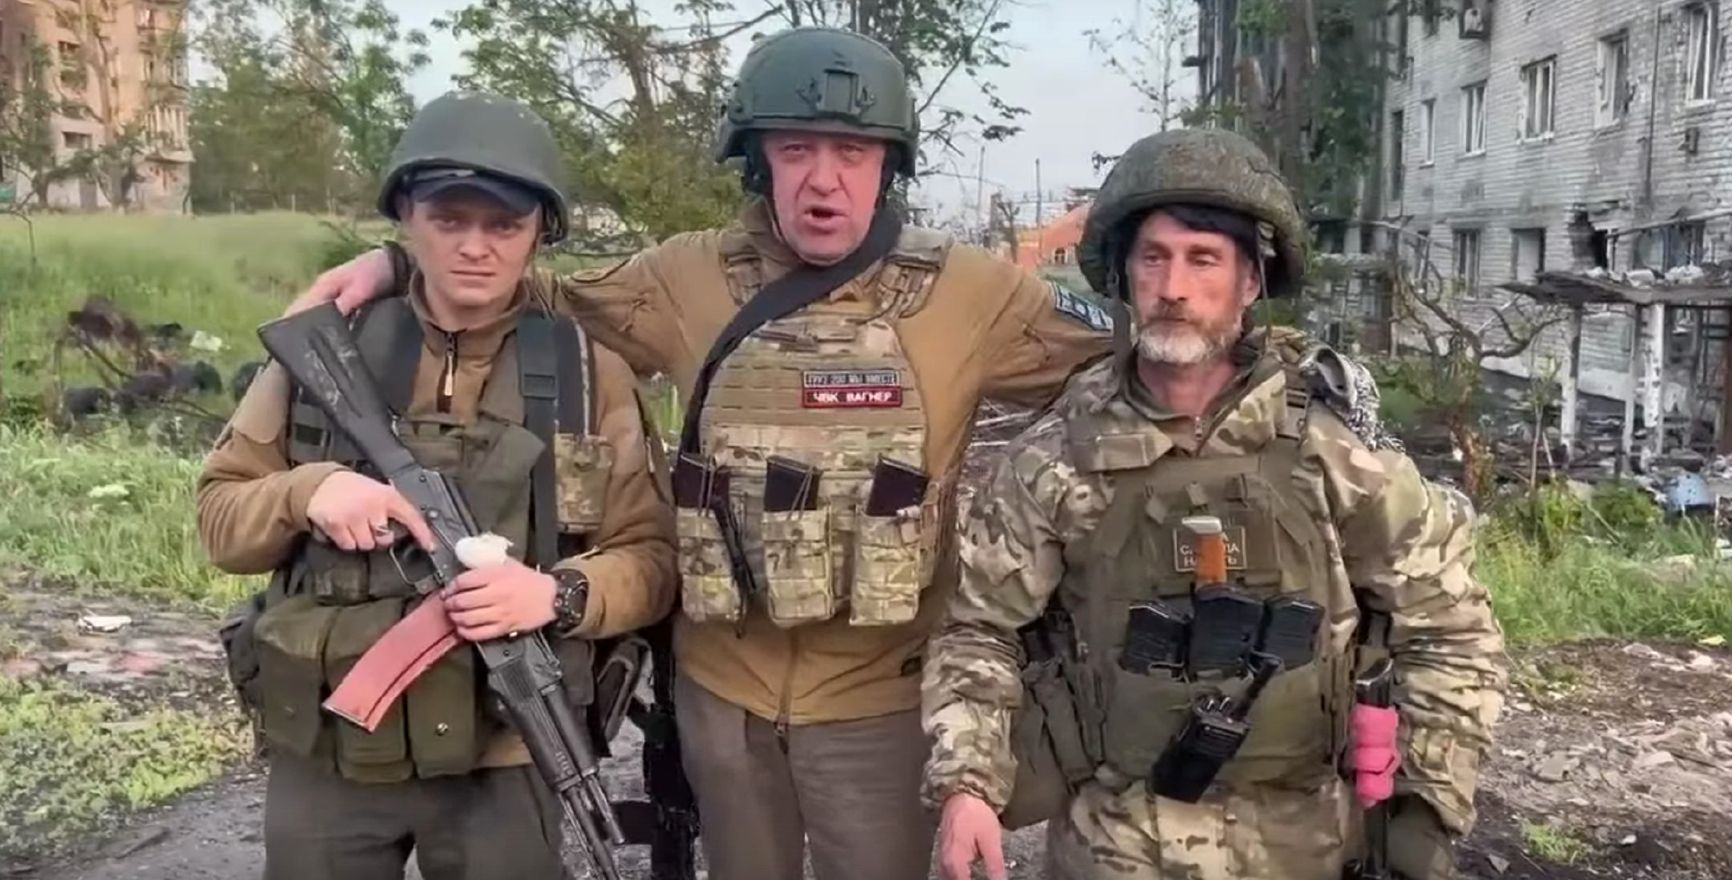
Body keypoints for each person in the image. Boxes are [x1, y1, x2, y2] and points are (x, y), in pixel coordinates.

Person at [291, 26, 1117, 880]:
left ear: (889, 165)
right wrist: (397, 266)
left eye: (852, 152)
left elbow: (1137, 355)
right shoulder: (688, 277)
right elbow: (533, 292)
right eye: (795, 150)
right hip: (724, 697)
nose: (823, 179)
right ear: (757, 161)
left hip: (883, 700)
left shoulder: (970, 291)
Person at [920, 127, 1508, 880]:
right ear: (1124, 276)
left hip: (1308, 845)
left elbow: (1449, 626)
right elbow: (979, 631)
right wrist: (967, 783)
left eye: (1203, 260)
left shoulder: (1334, 451)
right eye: (1153, 258)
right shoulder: (1059, 456)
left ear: (1250, 282)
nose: (1174, 287)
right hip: (1115, 846)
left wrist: (1424, 810)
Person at [200, 91, 677, 880]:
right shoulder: (329, 351)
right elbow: (220, 518)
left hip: (506, 744)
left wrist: (556, 594)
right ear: (406, 218)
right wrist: (306, 492)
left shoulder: (587, 375)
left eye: (504, 226)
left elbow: (652, 557)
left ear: (539, 234)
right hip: (333, 744)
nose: (476, 248)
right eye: (449, 220)